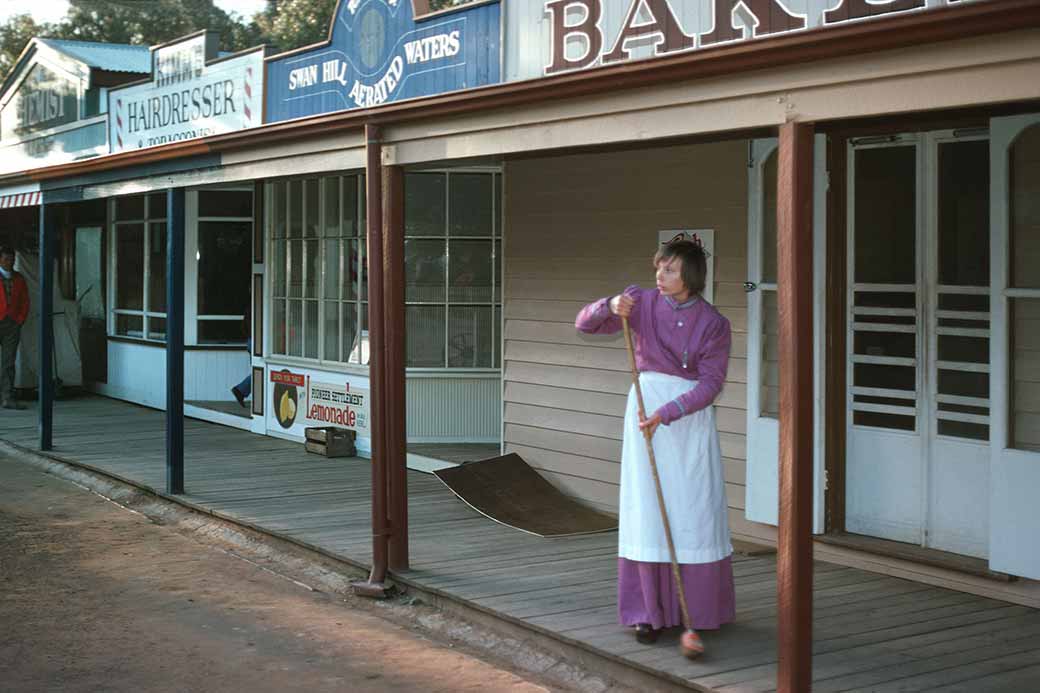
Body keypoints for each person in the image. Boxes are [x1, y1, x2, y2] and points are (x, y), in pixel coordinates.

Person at [574, 237, 734, 648]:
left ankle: (695, 610)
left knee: (692, 508)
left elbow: (712, 384)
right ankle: (648, 613)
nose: (660, 275)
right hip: (644, 413)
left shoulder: (714, 323)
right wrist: (609, 305)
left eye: (670, 269)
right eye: (659, 267)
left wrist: (670, 412)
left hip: (687, 419)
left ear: (690, 276)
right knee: (648, 508)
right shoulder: (640, 302)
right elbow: (584, 324)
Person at [0, 246, 30, 410]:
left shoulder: (19, 278)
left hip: (12, 324)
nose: (9, 262)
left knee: (8, 362)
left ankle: (7, 397)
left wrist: (20, 319)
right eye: (6, 259)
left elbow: (25, 301)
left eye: (12, 259)